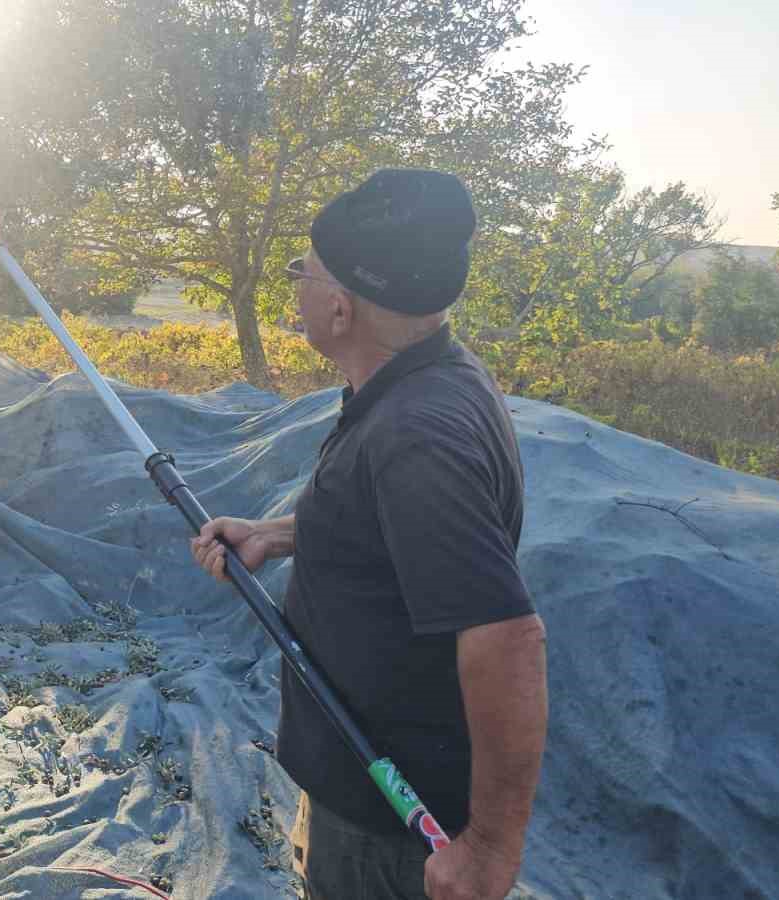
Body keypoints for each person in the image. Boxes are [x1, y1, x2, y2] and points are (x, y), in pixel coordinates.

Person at [189, 169, 548, 900]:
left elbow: (508, 639)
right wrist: (275, 534)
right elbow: (382, 529)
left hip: (391, 824)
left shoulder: (417, 435)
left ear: (342, 309)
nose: (296, 288)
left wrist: (487, 850)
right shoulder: (421, 379)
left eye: (304, 272)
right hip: (358, 788)